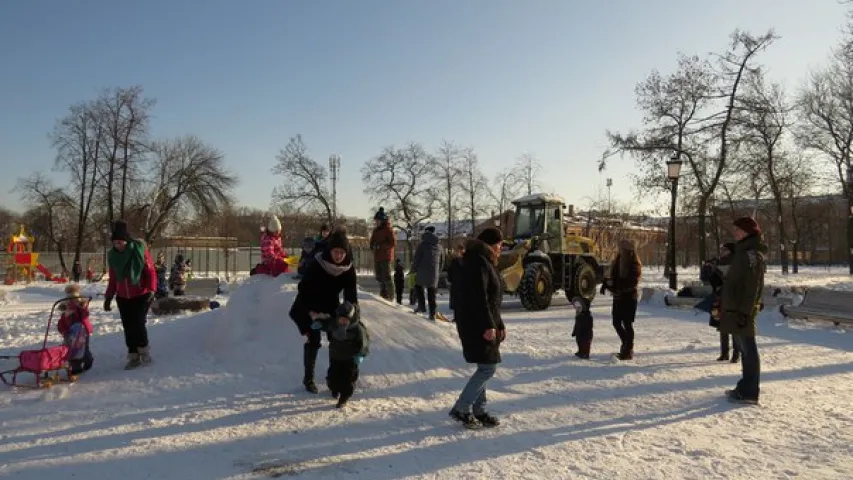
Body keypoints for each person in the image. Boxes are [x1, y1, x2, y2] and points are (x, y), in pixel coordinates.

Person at [289, 227, 358, 394]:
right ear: (330, 250)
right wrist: (312, 314)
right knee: (313, 340)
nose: (339, 256)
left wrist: (350, 316)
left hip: (331, 305)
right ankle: (308, 379)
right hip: (309, 303)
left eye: (342, 252)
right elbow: (303, 288)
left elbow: (351, 297)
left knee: (337, 339)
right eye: (336, 251)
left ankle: (333, 379)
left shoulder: (348, 269)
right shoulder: (318, 264)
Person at [449, 227, 505, 429]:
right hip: (476, 323)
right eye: (499, 244)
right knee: (488, 367)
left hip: (484, 322)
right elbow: (479, 298)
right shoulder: (477, 262)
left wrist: (499, 324)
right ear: (490, 244)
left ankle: (479, 410)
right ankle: (462, 408)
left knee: (484, 365)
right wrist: (489, 325)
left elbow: (493, 300)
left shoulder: (484, 260)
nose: (501, 248)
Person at [721, 217, 767, 404]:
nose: (735, 233)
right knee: (744, 348)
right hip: (736, 308)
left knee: (748, 349)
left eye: (738, 230)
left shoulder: (752, 253)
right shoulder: (742, 251)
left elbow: (753, 286)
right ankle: (745, 387)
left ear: (748, 232)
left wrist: (745, 312)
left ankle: (749, 391)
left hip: (742, 310)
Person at [103, 220, 157, 370]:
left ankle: (144, 351)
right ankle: (133, 355)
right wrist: (109, 296)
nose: (118, 246)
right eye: (115, 243)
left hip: (141, 294)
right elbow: (113, 278)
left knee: (138, 323)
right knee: (128, 326)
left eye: (120, 243)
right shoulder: (113, 256)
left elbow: (150, 271)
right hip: (123, 296)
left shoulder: (139, 251)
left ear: (126, 241)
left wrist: (151, 290)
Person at [309, 301, 370, 408]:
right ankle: (334, 388)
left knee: (347, 380)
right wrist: (319, 324)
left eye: (345, 320)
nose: (342, 321)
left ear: (351, 319)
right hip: (335, 356)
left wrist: (360, 354)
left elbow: (364, 343)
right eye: (341, 319)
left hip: (350, 359)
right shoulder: (335, 323)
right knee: (332, 377)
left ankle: (344, 397)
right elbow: (326, 324)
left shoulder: (357, 329)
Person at [603, 239, 642, 360]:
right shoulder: (618, 261)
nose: (620, 252)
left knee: (627, 324)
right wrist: (608, 284)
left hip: (629, 298)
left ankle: (627, 349)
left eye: (622, 250)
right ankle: (626, 345)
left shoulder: (634, 265)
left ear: (629, 252)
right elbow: (614, 278)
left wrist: (620, 289)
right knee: (616, 323)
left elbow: (632, 282)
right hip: (618, 297)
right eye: (620, 249)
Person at [709, 243, 740, 363]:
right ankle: (724, 353)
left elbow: (736, 281)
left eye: (725, 250)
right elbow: (713, 280)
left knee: (733, 326)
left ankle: (736, 353)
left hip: (732, 297)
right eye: (722, 249)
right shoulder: (719, 262)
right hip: (721, 297)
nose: (722, 251)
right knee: (722, 325)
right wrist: (711, 269)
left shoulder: (736, 262)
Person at [57, 284, 94, 375]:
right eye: (69, 299)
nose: (72, 302)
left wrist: (80, 307)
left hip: (83, 332)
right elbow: (61, 323)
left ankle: (88, 361)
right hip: (70, 334)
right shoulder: (66, 311)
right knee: (72, 350)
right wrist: (64, 331)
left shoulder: (81, 309)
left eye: (74, 299)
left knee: (83, 349)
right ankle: (75, 367)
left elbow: (85, 316)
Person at [412, 225, 444, 320]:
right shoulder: (439, 246)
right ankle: (432, 313)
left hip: (422, 270)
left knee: (418, 286)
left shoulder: (422, 244)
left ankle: (421, 306)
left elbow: (417, 259)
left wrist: (413, 270)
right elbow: (442, 261)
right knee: (431, 292)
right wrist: (438, 271)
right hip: (434, 272)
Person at [369, 207, 396, 301]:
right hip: (377, 256)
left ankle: (391, 296)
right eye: (376, 221)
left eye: (378, 220)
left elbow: (392, 243)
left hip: (385, 256)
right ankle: (383, 294)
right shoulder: (375, 231)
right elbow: (372, 242)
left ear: (382, 220)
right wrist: (372, 246)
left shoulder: (388, 229)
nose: (376, 222)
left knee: (387, 276)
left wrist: (381, 246)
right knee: (379, 277)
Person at [445, 243, 465, 321]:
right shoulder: (466, 260)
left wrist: (450, 279)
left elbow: (450, 271)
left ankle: (457, 317)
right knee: (459, 301)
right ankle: (459, 317)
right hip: (460, 283)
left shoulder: (455, 260)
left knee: (457, 301)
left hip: (457, 283)